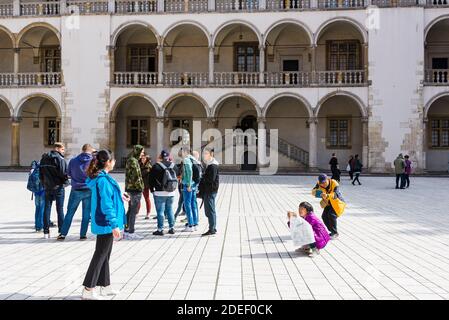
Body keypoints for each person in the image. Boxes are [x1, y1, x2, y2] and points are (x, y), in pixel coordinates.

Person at [82, 150, 126, 300]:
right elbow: (106, 204)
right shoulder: (103, 180)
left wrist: (120, 196)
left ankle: (105, 286)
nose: (114, 162)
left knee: (105, 254)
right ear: (108, 162)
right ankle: (88, 288)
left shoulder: (103, 178)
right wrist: (114, 225)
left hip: (105, 221)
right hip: (105, 222)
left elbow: (107, 197)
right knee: (100, 254)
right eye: (113, 160)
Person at [57, 144, 95, 241]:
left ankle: (63, 233)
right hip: (89, 189)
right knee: (86, 213)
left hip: (76, 189)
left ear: (82, 150)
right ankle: (83, 234)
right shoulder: (93, 161)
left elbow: (68, 173)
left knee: (70, 212)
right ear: (90, 151)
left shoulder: (73, 161)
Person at [39, 142, 68, 239]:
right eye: (63, 149)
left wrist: (44, 184)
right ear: (58, 148)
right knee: (60, 209)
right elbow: (63, 173)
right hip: (58, 187)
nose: (64, 151)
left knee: (47, 208)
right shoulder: (60, 159)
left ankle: (46, 232)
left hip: (47, 187)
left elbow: (41, 174)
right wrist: (65, 182)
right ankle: (61, 230)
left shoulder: (44, 158)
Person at [148, 150, 178, 236]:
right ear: (168, 157)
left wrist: (152, 190)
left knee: (160, 212)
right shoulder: (174, 166)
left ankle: (160, 229)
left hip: (159, 192)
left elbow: (151, 179)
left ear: (160, 157)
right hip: (171, 192)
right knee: (170, 210)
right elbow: (178, 176)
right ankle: (171, 228)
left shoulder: (156, 166)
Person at [312, 173, 345, 240]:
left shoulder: (334, 183)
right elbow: (313, 191)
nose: (323, 184)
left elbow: (335, 194)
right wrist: (319, 194)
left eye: (324, 182)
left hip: (338, 203)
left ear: (327, 179)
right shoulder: (319, 183)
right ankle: (332, 231)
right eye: (321, 183)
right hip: (328, 204)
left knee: (331, 215)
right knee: (324, 216)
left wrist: (327, 195)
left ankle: (335, 233)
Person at [124, 145, 145, 240]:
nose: (142, 154)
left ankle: (126, 229)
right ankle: (131, 231)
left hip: (130, 188)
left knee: (130, 210)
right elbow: (137, 176)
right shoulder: (133, 161)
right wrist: (141, 187)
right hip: (135, 189)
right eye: (141, 152)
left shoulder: (131, 159)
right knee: (133, 210)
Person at [198, 148, 219, 236]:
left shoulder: (213, 165)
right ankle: (213, 227)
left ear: (211, 154)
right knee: (209, 210)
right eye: (204, 153)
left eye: (206, 153)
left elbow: (211, 179)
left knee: (210, 210)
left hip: (210, 190)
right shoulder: (210, 164)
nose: (204, 155)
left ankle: (212, 229)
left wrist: (202, 177)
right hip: (209, 190)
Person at [180, 147, 197, 232]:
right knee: (193, 204)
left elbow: (189, 171)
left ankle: (190, 225)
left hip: (188, 184)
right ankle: (195, 223)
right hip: (194, 184)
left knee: (187, 205)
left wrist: (189, 184)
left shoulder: (186, 159)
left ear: (185, 152)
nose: (181, 153)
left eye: (182, 151)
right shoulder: (193, 158)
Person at [27, 160, 45, 232]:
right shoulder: (43, 172)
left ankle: (37, 225)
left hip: (36, 193)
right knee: (42, 209)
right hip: (43, 193)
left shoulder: (33, 172)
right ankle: (40, 226)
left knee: (37, 209)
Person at [138, 153, 152, 220]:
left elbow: (141, 174)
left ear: (146, 159)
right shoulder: (139, 165)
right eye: (142, 158)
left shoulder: (148, 166)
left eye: (144, 158)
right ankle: (137, 212)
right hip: (139, 185)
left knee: (147, 198)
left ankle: (148, 213)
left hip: (145, 185)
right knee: (138, 199)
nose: (142, 159)